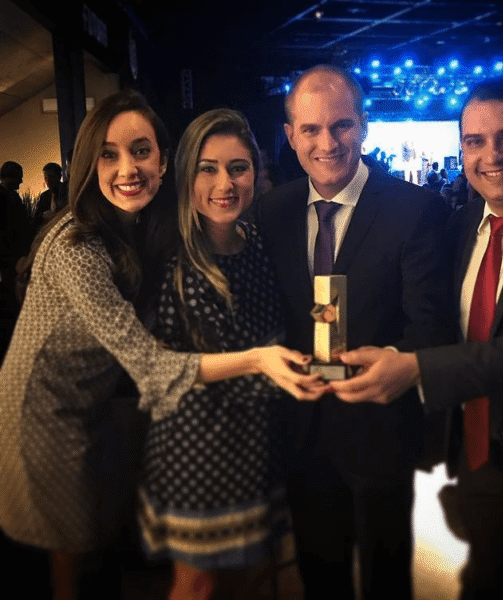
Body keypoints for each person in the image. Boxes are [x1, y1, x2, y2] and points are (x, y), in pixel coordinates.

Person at [0, 91, 321, 600]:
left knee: (110, 550)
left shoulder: (158, 228)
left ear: (164, 161)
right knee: (73, 550)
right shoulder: (84, 245)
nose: (128, 168)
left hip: (119, 404)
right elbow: (153, 365)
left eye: (141, 151)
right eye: (108, 154)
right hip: (50, 408)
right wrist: (261, 361)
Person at [330, 77, 503, 598]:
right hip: (477, 458)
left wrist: (416, 369)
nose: (491, 156)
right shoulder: (459, 225)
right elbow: (433, 319)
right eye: (475, 141)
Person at [257, 64, 451, 600]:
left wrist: (394, 361)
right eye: (311, 129)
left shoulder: (414, 210)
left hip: (379, 429)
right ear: (290, 134)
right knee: (320, 578)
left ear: (363, 125)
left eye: (341, 125)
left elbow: (431, 326)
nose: (327, 143)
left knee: (387, 578)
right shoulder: (272, 211)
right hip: (301, 429)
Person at [137, 108, 325, 600]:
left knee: (254, 577)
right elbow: (162, 368)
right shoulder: (172, 256)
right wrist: (264, 361)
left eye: (238, 168)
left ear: (256, 173)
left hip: (260, 440)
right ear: (186, 175)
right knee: (197, 585)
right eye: (208, 168)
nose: (225, 183)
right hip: (197, 445)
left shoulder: (256, 240)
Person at [0, 160, 33, 357]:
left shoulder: (12, 196)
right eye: (19, 178)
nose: (21, 182)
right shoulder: (5, 198)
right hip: (8, 259)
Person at [32, 162, 68, 232]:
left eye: (51, 177)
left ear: (59, 176)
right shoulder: (44, 196)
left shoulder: (67, 190)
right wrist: (43, 216)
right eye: (46, 177)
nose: (48, 180)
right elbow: (37, 217)